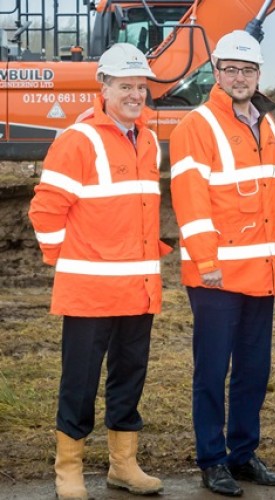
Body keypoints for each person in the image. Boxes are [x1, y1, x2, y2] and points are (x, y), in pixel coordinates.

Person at [28, 43, 167, 499]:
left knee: (130, 377)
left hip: (139, 289)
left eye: (140, 87)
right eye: (125, 86)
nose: (134, 95)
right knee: (80, 382)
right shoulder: (78, 140)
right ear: (103, 87)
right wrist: (67, 262)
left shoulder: (147, 140)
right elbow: (45, 212)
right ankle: (68, 469)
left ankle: (122, 465)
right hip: (90, 292)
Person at [169, 30, 275, 497]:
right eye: (231, 70)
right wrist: (206, 261)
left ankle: (243, 454)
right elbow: (190, 200)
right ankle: (212, 459)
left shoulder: (268, 124)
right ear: (217, 73)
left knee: (254, 370)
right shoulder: (196, 126)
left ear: (259, 74)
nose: (240, 78)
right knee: (212, 370)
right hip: (216, 275)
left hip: (261, 272)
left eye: (248, 70)